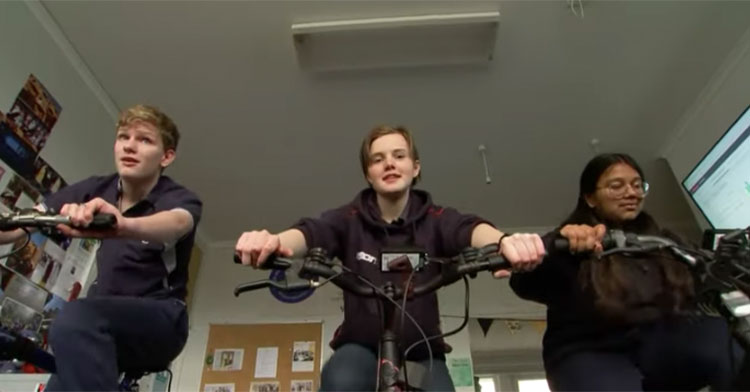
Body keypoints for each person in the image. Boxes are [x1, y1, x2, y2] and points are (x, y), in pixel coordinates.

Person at [235, 125, 546, 391]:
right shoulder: (348, 219)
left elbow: (469, 229)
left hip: (423, 351)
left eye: (399, 155)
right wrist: (274, 242)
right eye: (377, 159)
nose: (389, 164)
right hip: (360, 348)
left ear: (416, 167)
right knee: (340, 381)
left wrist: (506, 242)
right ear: (368, 174)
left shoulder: (437, 219)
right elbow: (311, 233)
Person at [0, 104, 202, 390]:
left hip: (161, 319)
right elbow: (26, 222)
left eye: (144, 140)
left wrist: (123, 226)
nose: (130, 146)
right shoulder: (96, 186)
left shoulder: (178, 197)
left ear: (166, 156)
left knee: (74, 316)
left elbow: (178, 223)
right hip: (98, 321)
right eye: (123, 137)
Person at [510, 153, 739, 391]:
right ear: (590, 198)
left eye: (638, 185)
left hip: (662, 343)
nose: (631, 193)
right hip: (591, 352)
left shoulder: (668, 242)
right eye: (616, 186)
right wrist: (559, 243)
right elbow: (524, 283)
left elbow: (709, 279)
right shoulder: (568, 244)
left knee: (723, 334)